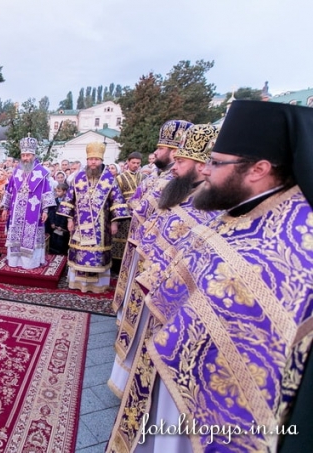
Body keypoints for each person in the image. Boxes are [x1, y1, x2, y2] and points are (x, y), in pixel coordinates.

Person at [107, 101, 313, 451]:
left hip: (221, 406)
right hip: (174, 368)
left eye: (216, 163)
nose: (206, 172)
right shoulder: (237, 211)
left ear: (258, 169)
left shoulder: (298, 234)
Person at [108, 124, 220, 399]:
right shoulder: (177, 189)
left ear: (201, 165)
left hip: (178, 297)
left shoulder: (212, 202)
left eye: (181, 161)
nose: (174, 167)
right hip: (151, 278)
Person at [111, 120, 193, 319]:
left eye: (161, 148)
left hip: (157, 254)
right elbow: (137, 202)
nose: (155, 153)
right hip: (141, 242)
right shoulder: (156, 175)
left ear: (174, 151)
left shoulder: (174, 181)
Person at [59, 142, 130, 293]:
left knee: (97, 254)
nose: (93, 162)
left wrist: (115, 223)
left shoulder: (109, 179)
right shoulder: (78, 178)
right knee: (80, 253)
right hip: (79, 224)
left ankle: (97, 286)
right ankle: (78, 284)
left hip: (101, 226)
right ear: (87, 160)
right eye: (91, 159)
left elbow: (117, 201)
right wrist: (69, 219)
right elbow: (68, 200)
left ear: (101, 160)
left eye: (96, 159)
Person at [1, 135, 55, 270]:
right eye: (23, 155)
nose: (25, 158)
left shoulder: (41, 173)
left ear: (34, 155)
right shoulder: (16, 171)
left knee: (31, 236)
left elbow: (47, 192)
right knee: (16, 236)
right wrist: (5, 208)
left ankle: (31, 263)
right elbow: (10, 190)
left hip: (33, 213)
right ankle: (14, 261)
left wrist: (45, 210)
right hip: (16, 212)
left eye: (28, 155)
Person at [111, 152, 144, 273]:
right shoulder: (119, 178)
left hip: (139, 215)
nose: (135, 165)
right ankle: (117, 268)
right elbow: (115, 197)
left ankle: (132, 266)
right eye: (133, 162)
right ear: (128, 162)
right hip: (124, 215)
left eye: (138, 163)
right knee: (121, 240)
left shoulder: (144, 178)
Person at [46, 182, 70, 255]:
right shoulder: (55, 201)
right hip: (54, 225)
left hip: (62, 227)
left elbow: (65, 215)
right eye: (56, 191)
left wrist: (62, 226)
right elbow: (51, 213)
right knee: (54, 241)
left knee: (62, 243)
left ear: (65, 191)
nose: (57, 193)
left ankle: (62, 257)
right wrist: (52, 222)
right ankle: (54, 256)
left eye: (59, 191)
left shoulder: (67, 202)